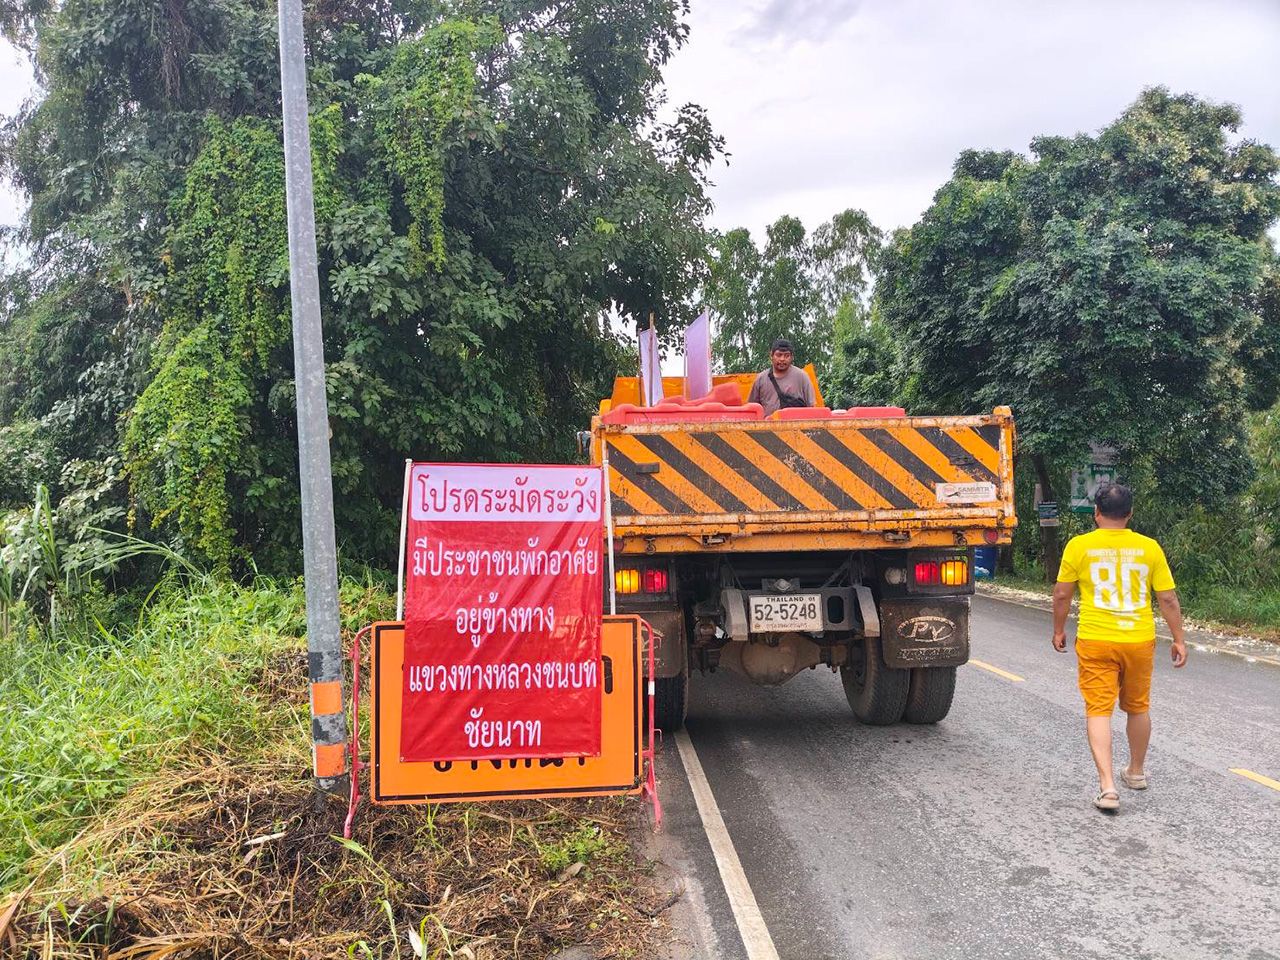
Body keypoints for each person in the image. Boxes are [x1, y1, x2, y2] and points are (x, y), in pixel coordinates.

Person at [1051, 482, 1188, 812]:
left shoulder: (1079, 546)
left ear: (1096, 513)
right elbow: (1167, 598)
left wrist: (1058, 630)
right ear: (1130, 513)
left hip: (1096, 638)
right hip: (1138, 639)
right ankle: (1136, 772)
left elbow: (1061, 594)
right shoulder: (1149, 548)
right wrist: (1179, 639)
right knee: (1138, 706)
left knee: (1099, 709)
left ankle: (1108, 787)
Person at [747, 338, 816, 415]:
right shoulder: (761, 379)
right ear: (771, 355)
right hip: (768, 425)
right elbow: (752, 409)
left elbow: (811, 407)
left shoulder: (802, 377)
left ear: (792, 357)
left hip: (796, 425)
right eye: (779, 355)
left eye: (787, 356)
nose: (782, 359)